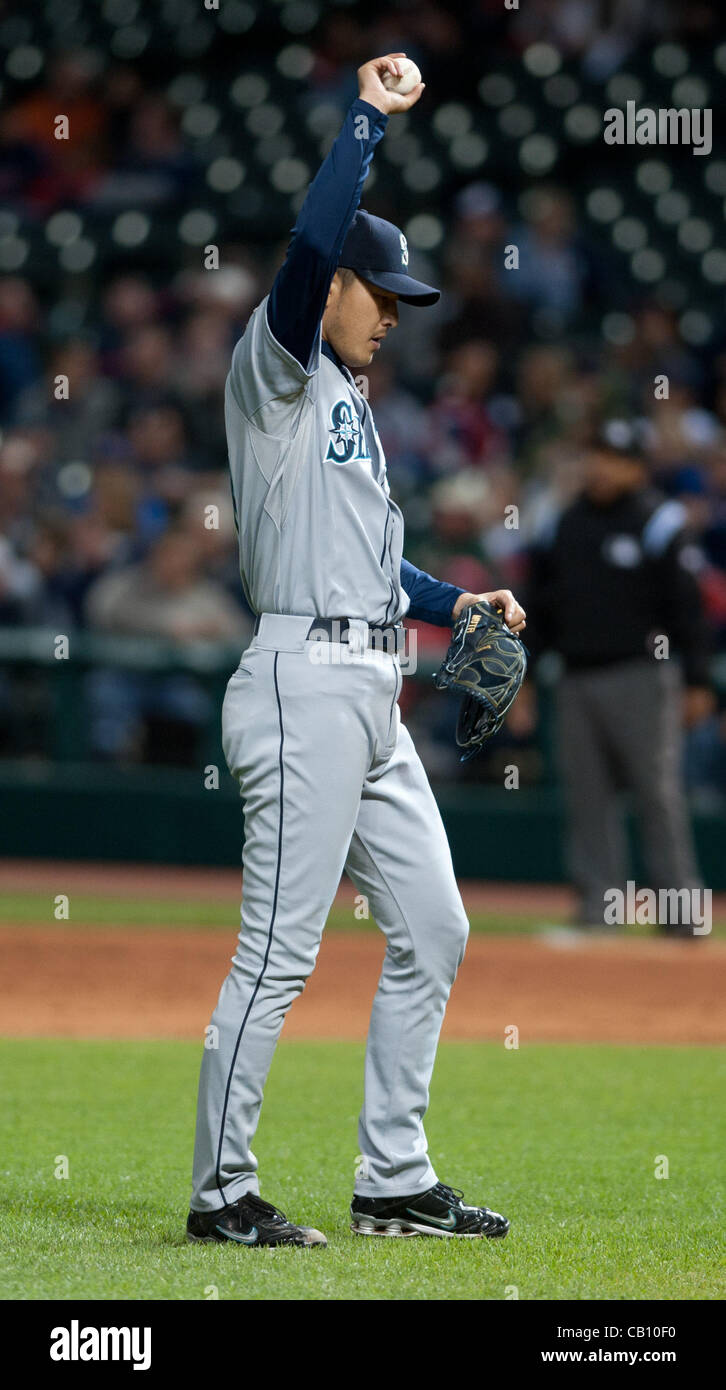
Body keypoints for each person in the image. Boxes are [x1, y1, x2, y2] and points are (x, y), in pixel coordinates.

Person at [187, 54, 526, 1249]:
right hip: (298, 686)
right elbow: (306, 241)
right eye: (380, 292)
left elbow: (378, 573)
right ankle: (221, 1192)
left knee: (433, 925)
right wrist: (366, 122)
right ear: (332, 288)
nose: (394, 310)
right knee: (279, 953)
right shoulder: (278, 367)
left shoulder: (352, 408)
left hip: (371, 685)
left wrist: (459, 603)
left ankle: (394, 1180)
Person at [526, 417, 712, 933]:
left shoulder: (658, 522)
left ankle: (680, 918)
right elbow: (541, 609)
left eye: (614, 458)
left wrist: (698, 682)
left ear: (635, 467)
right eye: (596, 455)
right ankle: (597, 912)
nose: (601, 467)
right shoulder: (562, 523)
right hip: (574, 677)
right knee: (587, 798)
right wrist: (521, 678)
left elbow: (688, 612)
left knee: (656, 796)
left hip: (642, 676)